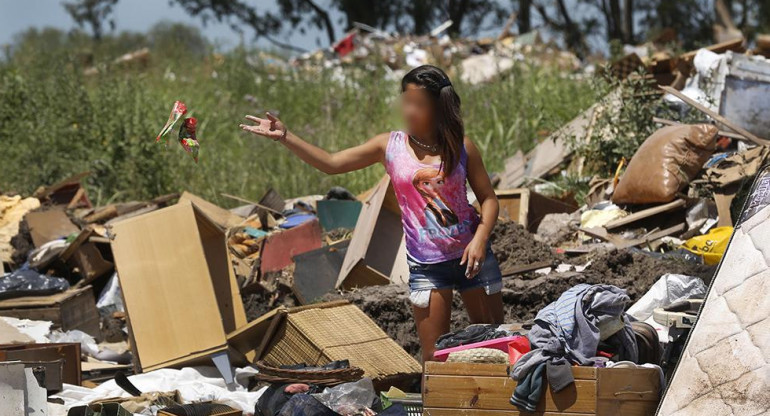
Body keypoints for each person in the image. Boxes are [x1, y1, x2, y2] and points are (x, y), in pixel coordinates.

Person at [240, 65, 504, 362]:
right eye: (406, 101)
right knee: (435, 357)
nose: (409, 111)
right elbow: (332, 163)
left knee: (494, 346)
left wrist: (480, 240)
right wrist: (285, 136)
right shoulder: (389, 146)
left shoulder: (462, 147)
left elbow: (489, 200)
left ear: (438, 106)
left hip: (473, 258)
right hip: (428, 265)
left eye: (418, 104)